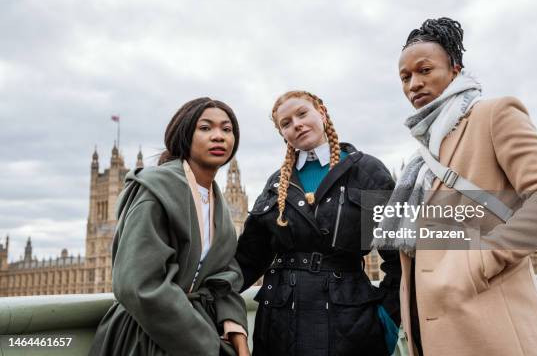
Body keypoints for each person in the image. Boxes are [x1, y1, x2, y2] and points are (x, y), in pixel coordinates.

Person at [380, 17, 537, 355]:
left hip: (490, 327)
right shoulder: (425, 153)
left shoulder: (493, 115)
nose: (414, 83)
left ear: (455, 70)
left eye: (425, 70)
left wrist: (477, 262)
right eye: (405, 76)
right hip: (434, 334)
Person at [236, 91, 401, 356]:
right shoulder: (276, 183)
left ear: (322, 113)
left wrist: (389, 316)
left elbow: (399, 256)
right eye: (286, 123)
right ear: (283, 135)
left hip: (350, 322)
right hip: (279, 323)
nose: (296, 124)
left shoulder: (366, 171)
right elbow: (247, 259)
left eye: (302, 114)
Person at [89, 98, 249, 356]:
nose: (218, 136)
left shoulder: (219, 203)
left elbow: (225, 275)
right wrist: (208, 345)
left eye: (226, 129)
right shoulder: (154, 190)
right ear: (184, 135)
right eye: (206, 128)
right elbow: (137, 284)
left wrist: (236, 328)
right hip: (149, 339)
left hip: (199, 332)